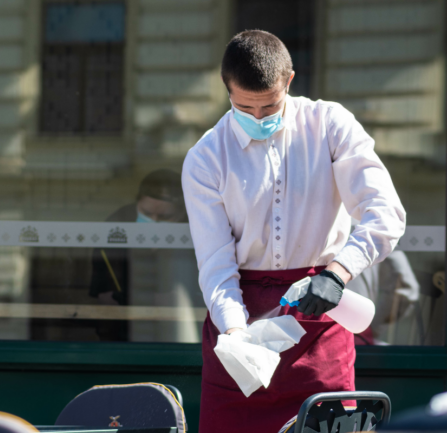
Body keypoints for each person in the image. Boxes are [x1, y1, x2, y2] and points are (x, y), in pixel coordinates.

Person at [181, 30, 406, 432]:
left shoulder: (329, 124)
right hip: (240, 323)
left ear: (289, 80)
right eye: (244, 107)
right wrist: (235, 335)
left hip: (319, 315)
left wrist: (337, 274)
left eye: (269, 106)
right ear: (226, 89)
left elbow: (385, 212)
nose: (258, 119)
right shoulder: (206, 157)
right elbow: (215, 265)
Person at [89, 169, 188, 341]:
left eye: (164, 217)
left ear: (181, 215)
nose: (154, 222)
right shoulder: (115, 230)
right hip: (123, 336)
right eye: (147, 214)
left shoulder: (195, 234)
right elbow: (103, 296)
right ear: (137, 205)